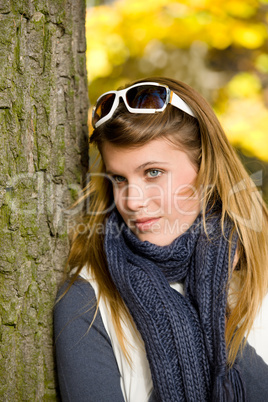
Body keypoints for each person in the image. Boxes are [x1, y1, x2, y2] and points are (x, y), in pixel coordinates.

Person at [54, 77, 268, 401]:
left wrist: (215, 291)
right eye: (119, 178)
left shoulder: (260, 267)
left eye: (153, 172)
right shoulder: (87, 300)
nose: (133, 201)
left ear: (206, 168)